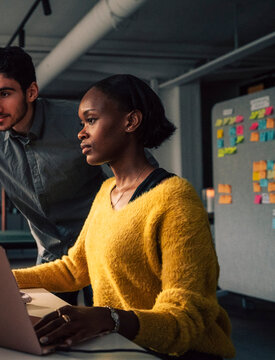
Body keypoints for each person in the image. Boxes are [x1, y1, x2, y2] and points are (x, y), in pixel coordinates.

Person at [13, 74, 235, 359]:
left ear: (130, 122)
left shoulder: (176, 198)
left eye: (91, 120)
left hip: (180, 353)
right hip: (121, 347)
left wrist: (111, 319)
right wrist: (4, 278)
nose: (81, 133)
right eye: (81, 123)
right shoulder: (107, 190)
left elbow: (186, 317)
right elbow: (74, 269)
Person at [0, 46, 111, 305]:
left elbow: (129, 176)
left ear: (31, 92)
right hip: (51, 255)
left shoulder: (78, 120)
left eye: (5, 93)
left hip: (101, 249)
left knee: (110, 332)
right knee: (40, 330)